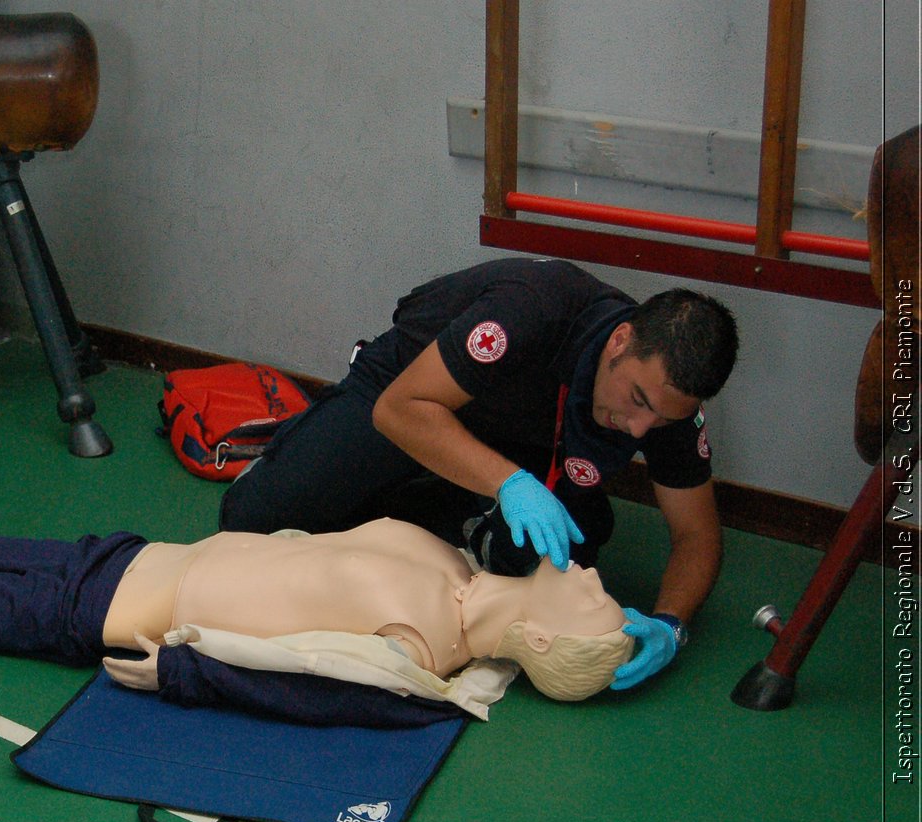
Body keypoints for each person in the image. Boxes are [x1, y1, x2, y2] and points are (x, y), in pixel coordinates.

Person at [217, 257, 738, 695]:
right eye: (637, 401)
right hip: (408, 399)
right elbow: (399, 410)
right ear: (620, 341)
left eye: (661, 420)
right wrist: (510, 483)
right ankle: (331, 457)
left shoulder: (668, 401)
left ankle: (433, 505)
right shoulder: (531, 309)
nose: (641, 426)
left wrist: (672, 624)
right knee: (253, 520)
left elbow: (697, 535)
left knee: (567, 547)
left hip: (508, 441)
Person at [0, 518, 635, 724]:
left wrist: (188, 674)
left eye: (599, 603)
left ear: (546, 640)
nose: (595, 575)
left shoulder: (416, 655)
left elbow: (307, 688)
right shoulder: (452, 564)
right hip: (117, 554)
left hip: (87, 612)